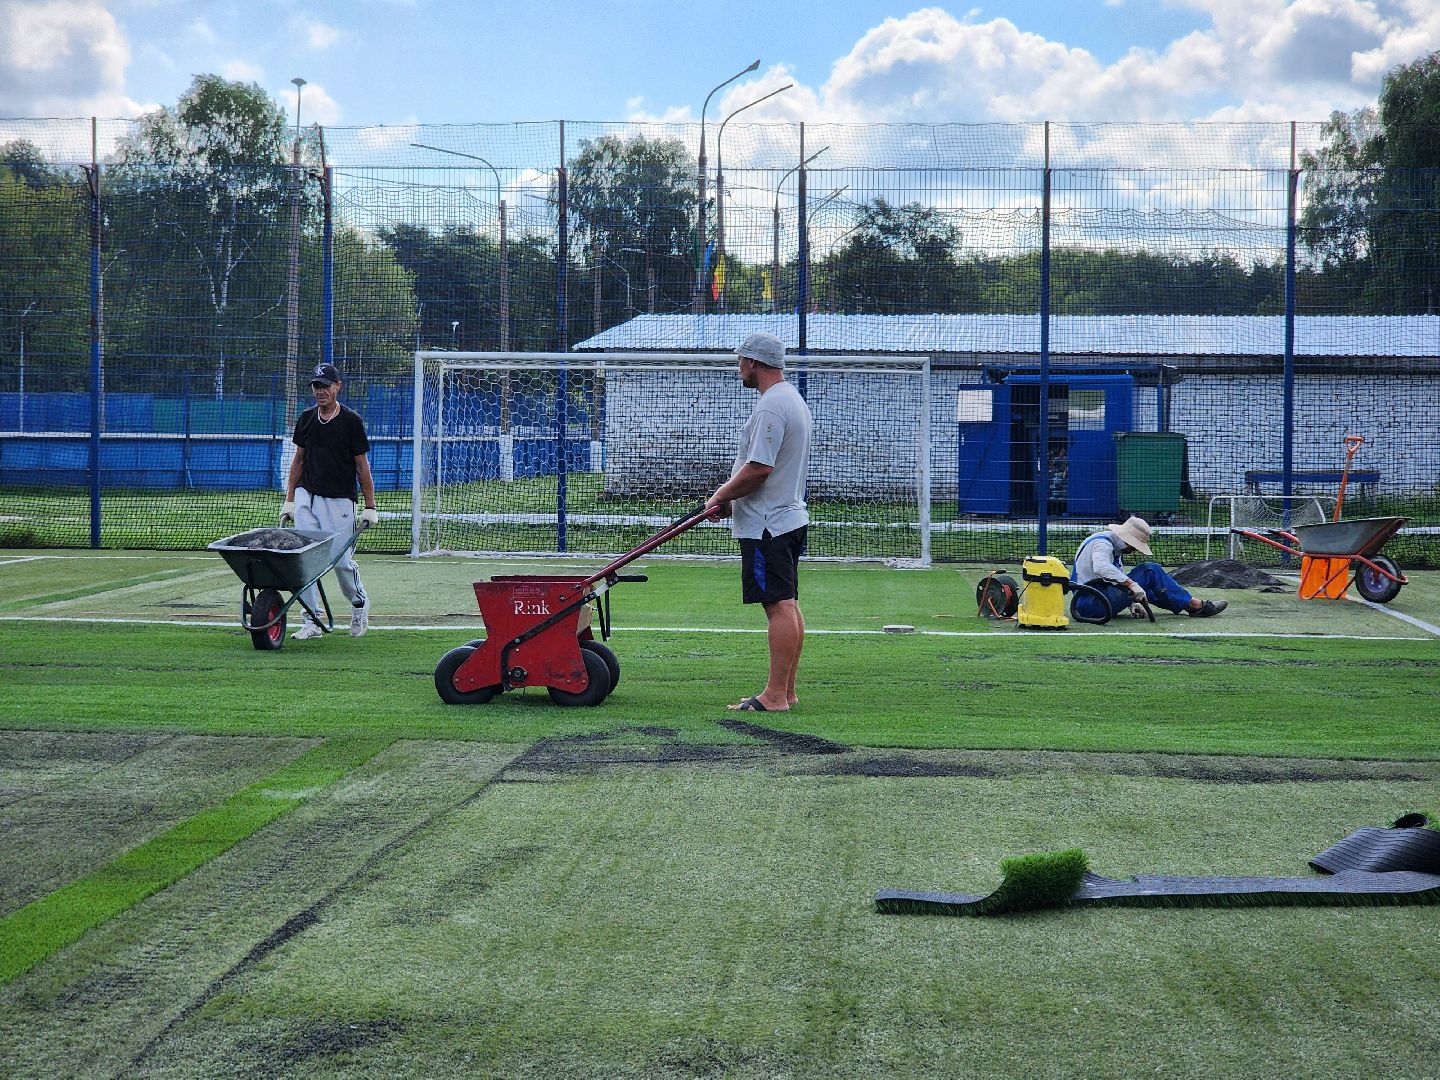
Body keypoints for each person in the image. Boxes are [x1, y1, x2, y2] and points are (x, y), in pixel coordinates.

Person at [705, 332, 813, 712]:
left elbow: (759, 469)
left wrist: (720, 496)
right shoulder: (792, 399)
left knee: (778, 606)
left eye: (741, 361)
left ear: (753, 362)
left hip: (768, 524)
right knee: (788, 604)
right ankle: (786, 691)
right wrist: (732, 500)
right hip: (786, 517)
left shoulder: (772, 406)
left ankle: (774, 696)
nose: (739, 368)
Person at [281, 362, 378, 639]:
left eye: (325, 386)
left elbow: (362, 467)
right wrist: (290, 500)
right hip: (307, 495)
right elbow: (298, 460)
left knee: (340, 561)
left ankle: (358, 603)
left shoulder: (351, 421)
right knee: (304, 559)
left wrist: (370, 506)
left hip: (339, 500)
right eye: (316, 386)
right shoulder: (306, 419)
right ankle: (312, 620)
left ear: (337, 387)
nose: (320, 391)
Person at [1071, 515, 1227, 621]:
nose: (1135, 550)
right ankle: (1194, 605)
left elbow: (1113, 578)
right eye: (1135, 546)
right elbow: (1101, 567)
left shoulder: (1110, 544)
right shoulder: (1102, 544)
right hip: (1091, 604)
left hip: (1094, 601)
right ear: (1128, 540)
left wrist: (1132, 603)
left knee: (1148, 581)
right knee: (1150, 570)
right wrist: (1131, 584)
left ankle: (1189, 604)